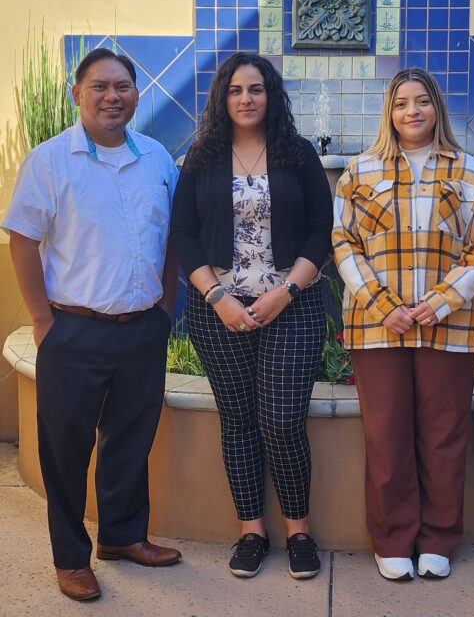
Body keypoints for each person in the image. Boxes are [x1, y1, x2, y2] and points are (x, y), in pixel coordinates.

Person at [2, 48, 181, 601]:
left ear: (136, 94)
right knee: (66, 448)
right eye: (100, 86)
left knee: (131, 439)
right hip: (73, 330)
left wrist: (165, 308)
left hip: (142, 329)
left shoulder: (156, 159)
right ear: (77, 94)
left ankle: (123, 536)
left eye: (123, 86)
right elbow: (23, 240)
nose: (113, 96)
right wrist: (41, 319)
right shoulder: (50, 161)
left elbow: (171, 240)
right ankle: (71, 558)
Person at [332, 67, 474, 581]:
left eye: (422, 101)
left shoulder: (470, 172)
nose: (412, 111)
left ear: (436, 109)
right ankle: (393, 538)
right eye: (402, 102)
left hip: (448, 325)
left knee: (444, 434)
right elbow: (343, 242)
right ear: (390, 111)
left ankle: (438, 539)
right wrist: (386, 305)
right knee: (386, 434)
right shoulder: (359, 172)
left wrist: (442, 301)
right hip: (376, 324)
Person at [170, 52, 332, 580]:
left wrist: (285, 291)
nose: (246, 98)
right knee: (238, 422)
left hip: (292, 306)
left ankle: (299, 530)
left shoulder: (298, 154)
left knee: (283, 422)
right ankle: (251, 531)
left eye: (256, 89)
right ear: (223, 97)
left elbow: (319, 232)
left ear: (271, 95)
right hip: (218, 311)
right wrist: (217, 297)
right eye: (236, 90)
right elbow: (184, 236)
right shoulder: (202, 157)